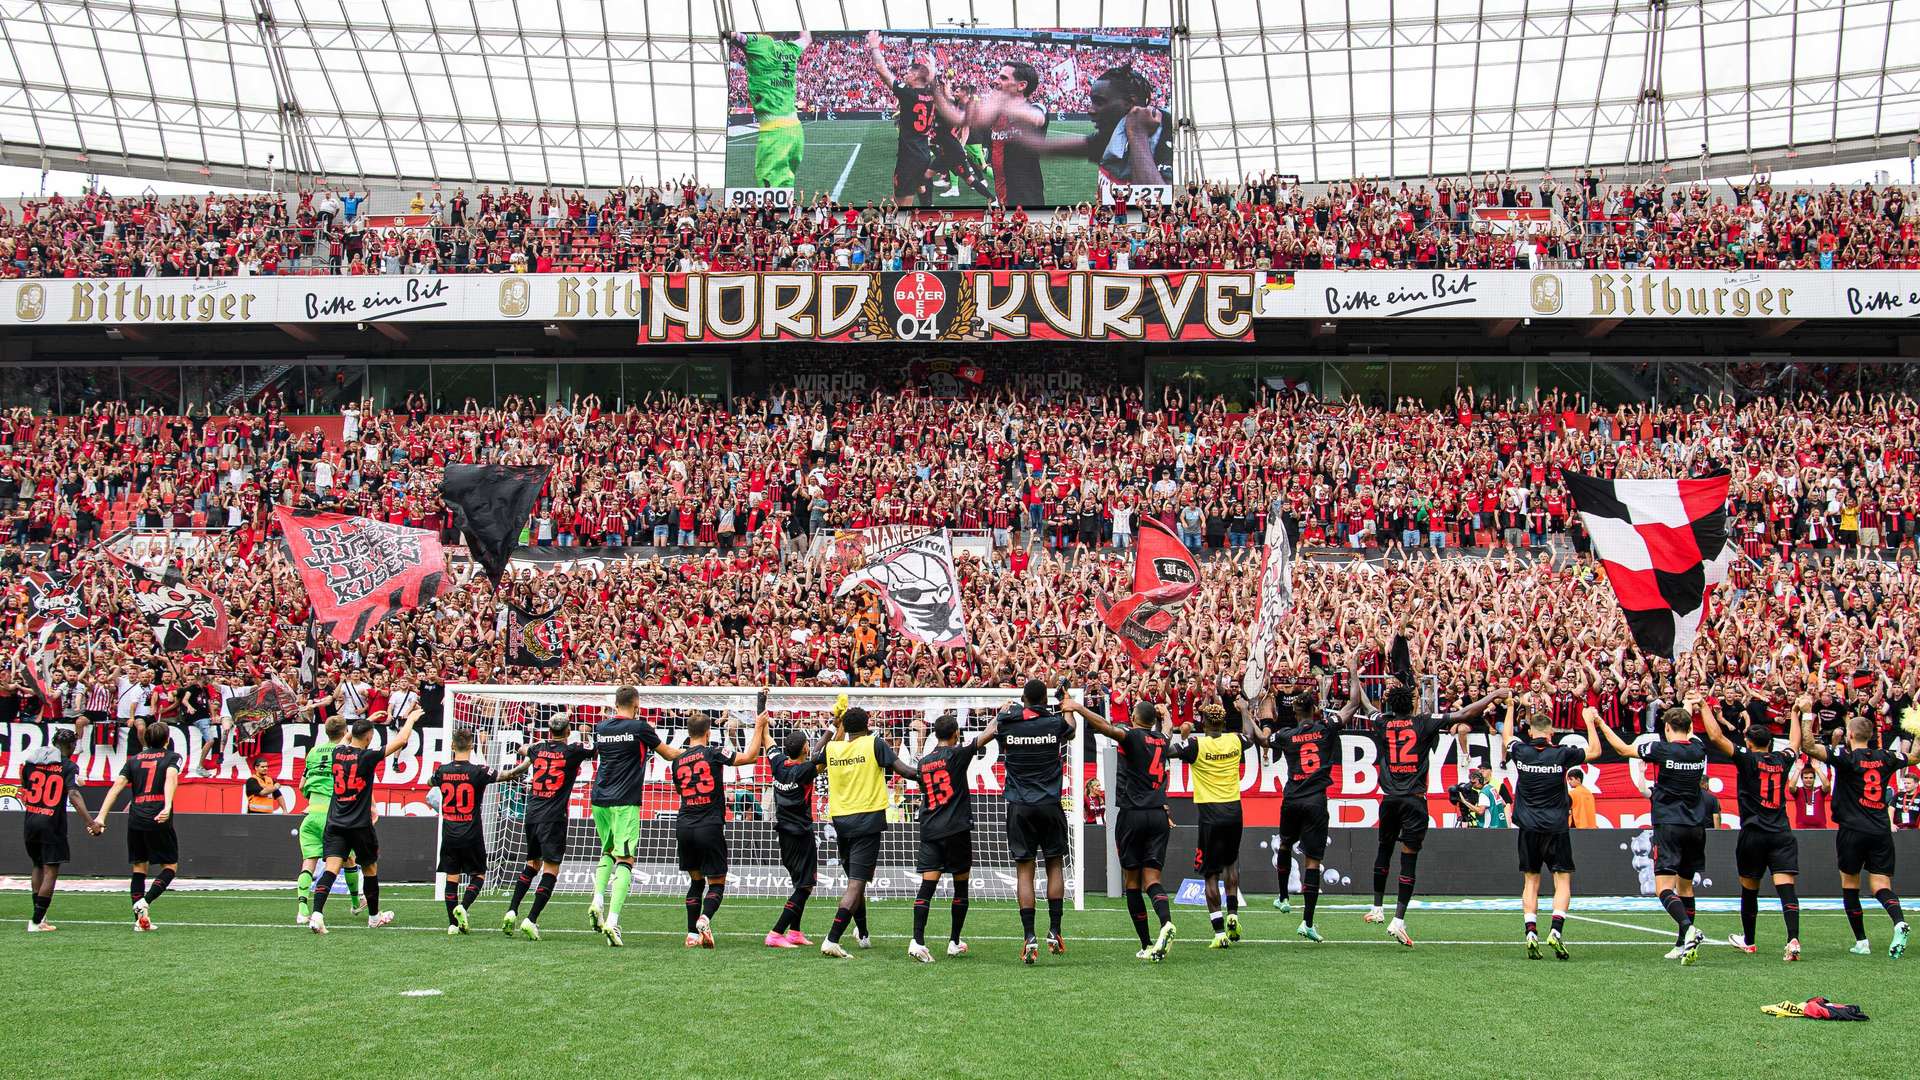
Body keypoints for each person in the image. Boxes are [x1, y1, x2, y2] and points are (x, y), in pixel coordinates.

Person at [1360, 680, 1506, 947]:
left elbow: (1366, 704)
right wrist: (1494, 694)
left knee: (1384, 849)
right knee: (1409, 858)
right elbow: (1465, 713)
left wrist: (1354, 670)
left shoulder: (1382, 722)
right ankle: (1398, 921)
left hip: (1390, 800)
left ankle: (1377, 907)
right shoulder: (1424, 722)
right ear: (1412, 704)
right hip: (1414, 801)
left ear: (1391, 704)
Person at [1594, 704, 1712, 964]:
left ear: (1667, 728)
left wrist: (1601, 723)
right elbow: (1691, 733)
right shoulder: (1698, 748)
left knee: (1663, 888)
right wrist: (1689, 706)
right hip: (1695, 826)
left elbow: (1623, 749)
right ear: (1689, 728)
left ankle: (1689, 930)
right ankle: (1682, 943)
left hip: (1669, 824)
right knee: (1685, 886)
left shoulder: (1661, 749)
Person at [1067, 693, 1177, 959]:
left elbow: (1105, 727)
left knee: (1132, 882)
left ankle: (1146, 944)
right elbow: (1169, 728)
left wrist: (1078, 707)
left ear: (1133, 718)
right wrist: (1166, 714)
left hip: (1132, 815)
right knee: (1153, 880)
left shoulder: (1132, 736)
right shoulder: (1162, 739)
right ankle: (1166, 923)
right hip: (1159, 815)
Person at [1699, 693, 1804, 961]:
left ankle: (1749, 941)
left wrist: (1703, 706)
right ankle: (1793, 939)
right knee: (1786, 888)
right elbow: (1795, 743)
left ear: (1748, 742)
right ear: (1770, 743)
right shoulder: (1781, 759)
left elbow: (1716, 737)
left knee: (1749, 889)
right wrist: (1795, 713)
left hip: (1754, 833)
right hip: (1781, 832)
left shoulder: (1747, 758)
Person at [1802, 713, 1915, 958]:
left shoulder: (1846, 757)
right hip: (1880, 830)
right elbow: (1915, 756)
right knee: (1881, 885)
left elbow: (1808, 746)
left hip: (1852, 830)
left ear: (1850, 735)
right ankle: (1898, 922)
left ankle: (1862, 942)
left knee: (1850, 884)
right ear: (1871, 735)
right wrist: (1917, 728)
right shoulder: (1886, 756)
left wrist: (1807, 714)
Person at [306, 704, 422, 934]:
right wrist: (411, 719)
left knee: (330, 869)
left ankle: (317, 914)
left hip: (335, 822)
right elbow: (401, 741)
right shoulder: (367, 756)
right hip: (359, 825)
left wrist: (367, 721)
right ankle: (374, 917)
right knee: (370, 869)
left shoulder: (337, 752)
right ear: (369, 737)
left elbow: (346, 738)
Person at [1502, 698, 1602, 960]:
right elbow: (1595, 751)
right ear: (1551, 734)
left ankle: (1530, 932)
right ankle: (1556, 930)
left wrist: (1510, 708)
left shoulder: (1521, 751)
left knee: (1531, 881)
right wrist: (1590, 722)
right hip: (1556, 827)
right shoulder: (1561, 753)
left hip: (1528, 827)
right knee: (1562, 880)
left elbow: (1507, 737)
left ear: (1530, 732)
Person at [819, 700, 919, 958]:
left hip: (841, 822)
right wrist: (929, 772)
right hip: (867, 820)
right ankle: (832, 939)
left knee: (856, 880)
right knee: (856, 883)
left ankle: (862, 933)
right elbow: (904, 771)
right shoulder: (874, 743)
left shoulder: (833, 748)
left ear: (845, 726)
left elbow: (814, 755)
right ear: (868, 725)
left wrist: (833, 726)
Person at [665, 706, 770, 949]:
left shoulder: (677, 761)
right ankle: (704, 918)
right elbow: (750, 757)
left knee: (696, 882)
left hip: (684, 825)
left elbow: (681, 791)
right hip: (709, 825)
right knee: (717, 882)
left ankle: (691, 935)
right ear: (708, 733)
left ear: (688, 733)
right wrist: (758, 727)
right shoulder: (713, 752)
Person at [1269, 678, 1363, 941]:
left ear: (1295, 712)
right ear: (1316, 710)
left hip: (1292, 800)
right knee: (1312, 861)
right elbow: (1354, 703)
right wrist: (1352, 671)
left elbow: (1263, 739)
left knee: (1285, 844)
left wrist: (1245, 713)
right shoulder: (1326, 727)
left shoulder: (1286, 735)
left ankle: (1283, 897)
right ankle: (1307, 923)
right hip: (1316, 801)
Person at [990, 678, 1076, 964]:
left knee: (1025, 871)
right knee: (1054, 864)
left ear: (1023, 699)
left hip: (1020, 806)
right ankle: (1055, 930)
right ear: (1045, 700)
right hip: (1050, 804)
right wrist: (1066, 703)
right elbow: (1072, 728)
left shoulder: (1009, 724)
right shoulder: (1053, 723)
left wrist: (1004, 712)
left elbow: (994, 730)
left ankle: (1029, 936)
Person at [904, 711, 995, 963]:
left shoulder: (923, 763)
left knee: (927, 887)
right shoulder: (958, 754)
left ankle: (917, 941)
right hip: (956, 829)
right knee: (961, 886)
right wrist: (1002, 713)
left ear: (935, 735)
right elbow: (988, 734)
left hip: (931, 829)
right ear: (956, 734)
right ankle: (954, 941)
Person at [502, 710, 595, 940]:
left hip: (532, 814)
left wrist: (525, 751)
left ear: (549, 730)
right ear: (568, 731)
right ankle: (531, 919)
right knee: (551, 869)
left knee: (532, 864)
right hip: (553, 817)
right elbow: (594, 749)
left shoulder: (537, 749)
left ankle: (512, 910)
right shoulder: (573, 750)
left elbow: (523, 749)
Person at [429, 729, 527, 936]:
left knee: (452, 878)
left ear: (452, 746)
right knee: (479, 875)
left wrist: (436, 781)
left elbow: (430, 782)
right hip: (471, 832)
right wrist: (528, 762)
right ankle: (463, 907)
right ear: (472, 746)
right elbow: (509, 775)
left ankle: (452, 925)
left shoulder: (442, 771)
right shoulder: (479, 771)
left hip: (449, 833)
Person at [1172, 699, 1252, 950]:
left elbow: (1168, 751)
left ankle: (1219, 933)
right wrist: (1245, 711)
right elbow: (1251, 736)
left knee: (1210, 874)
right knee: (1231, 865)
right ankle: (1233, 915)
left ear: (1203, 723)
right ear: (1224, 723)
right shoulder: (1235, 740)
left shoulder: (1196, 744)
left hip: (1210, 815)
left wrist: (1180, 734)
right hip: (1234, 811)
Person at [588, 686, 664, 947]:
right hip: (625, 802)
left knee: (607, 851)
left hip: (599, 799)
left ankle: (597, 900)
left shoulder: (601, 728)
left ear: (615, 703)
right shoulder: (640, 727)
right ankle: (612, 921)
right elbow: (667, 753)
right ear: (636, 703)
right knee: (626, 859)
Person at [91, 720, 181, 932]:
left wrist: (101, 817)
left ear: (145, 739)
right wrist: (167, 805)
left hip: (136, 817)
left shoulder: (133, 760)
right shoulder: (172, 757)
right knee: (170, 866)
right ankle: (145, 902)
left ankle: (139, 920)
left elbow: (116, 787)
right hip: (158, 816)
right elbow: (171, 777)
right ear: (167, 740)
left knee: (139, 867)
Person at [21, 723, 100, 931]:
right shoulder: (69, 766)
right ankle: (36, 922)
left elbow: (25, 786)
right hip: (51, 823)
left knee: (38, 866)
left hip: (30, 820)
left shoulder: (32, 762)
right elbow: (73, 794)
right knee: (51, 871)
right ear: (71, 746)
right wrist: (91, 822)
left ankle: (41, 918)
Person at [764, 723, 829, 948]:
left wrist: (761, 714)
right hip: (801, 835)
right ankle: (776, 933)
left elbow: (767, 738)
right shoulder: (804, 771)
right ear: (805, 748)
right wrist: (837, 724)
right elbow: (831, 750)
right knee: (805, 886)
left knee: (800, 883)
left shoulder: (778, 763)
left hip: (784, 833)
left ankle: (795, 932)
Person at [295, 715, 364, 926]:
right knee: (349, 859)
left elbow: (301, 785)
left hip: (311, 815)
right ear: (345, 732)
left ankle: (302, 911)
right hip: (335, 815)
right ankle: (356, 903)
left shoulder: (313, 752)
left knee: (309, 862)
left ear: (326, 732)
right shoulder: (345, 753)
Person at [731, 29, 811, 188]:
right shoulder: (790, 49)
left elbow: (732, 35)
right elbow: (807, 38)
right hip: (795, 130)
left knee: (771, 193)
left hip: (774, 133)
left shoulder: (759, 42)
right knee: (784, 187)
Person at [867, 31, 939, 204]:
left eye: (908, 72)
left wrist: (874, 47)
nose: (905, 75)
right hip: (924, 154)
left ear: (915, 76)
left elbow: (881, 69)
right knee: (923, 198)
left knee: (902, 204)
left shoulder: (908, 94)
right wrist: (932, 69)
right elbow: (931, 81)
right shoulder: (933, 95)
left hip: (908, 157)